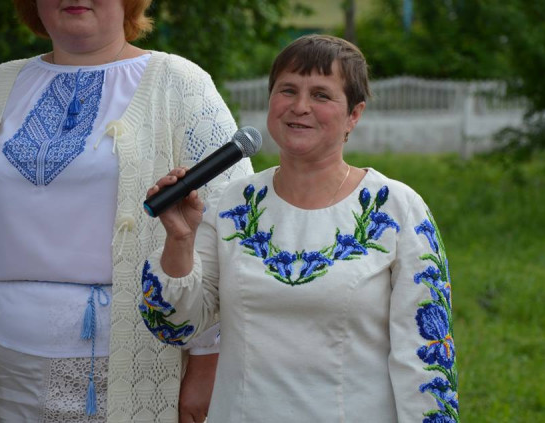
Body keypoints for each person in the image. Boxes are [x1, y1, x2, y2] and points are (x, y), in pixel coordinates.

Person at [141, 34, 459, 422]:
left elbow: (425, 360)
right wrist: (180, 239)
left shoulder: (395, 208)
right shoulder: (233, 203)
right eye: (288, 90)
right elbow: (174, 326)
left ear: (354, 114)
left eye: (321, 95)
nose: (300, 106)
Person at [0, 0, 253, 421]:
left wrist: (207, 365)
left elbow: (231, 231)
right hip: (1, 371)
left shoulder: (179, 83)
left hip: (129, 368)